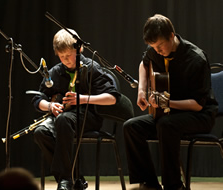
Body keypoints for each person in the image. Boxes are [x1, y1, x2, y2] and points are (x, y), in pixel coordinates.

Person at [123, 14, 218, 190]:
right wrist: (141, 91)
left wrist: (167, 103)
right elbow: (144, 64)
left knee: (166, 125)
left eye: (160, 46)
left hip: (199, 115)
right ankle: (149, 183)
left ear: (172, 36)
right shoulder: (155, 52)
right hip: (169, 114)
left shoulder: (196, 59)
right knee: (131, 127)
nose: (157, 50)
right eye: (153, 47)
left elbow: (197, 104)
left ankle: (173, 186)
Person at [32, 28, 120, 190]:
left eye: (68, 55)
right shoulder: (56, 72)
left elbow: (112, 98)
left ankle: (65, 180)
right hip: (63, 119)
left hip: (89, 117)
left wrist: (83, 99)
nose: (65, 60)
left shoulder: (92, 68)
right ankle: (75, 177)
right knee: (40, 132)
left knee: (64, 120)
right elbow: (38, 99)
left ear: (79, 49)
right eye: (61, 56)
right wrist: (50, 106)